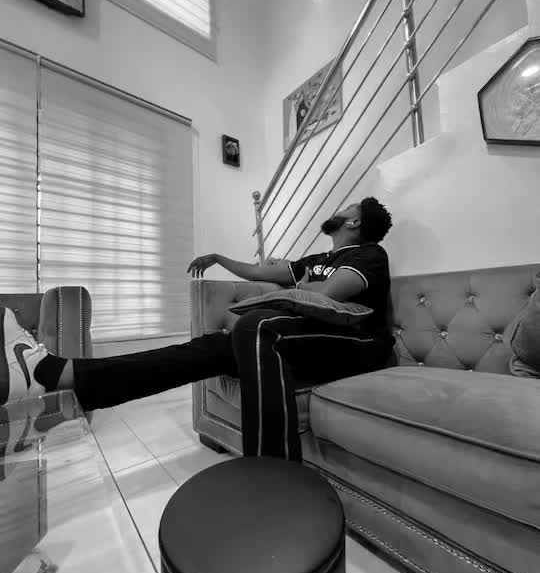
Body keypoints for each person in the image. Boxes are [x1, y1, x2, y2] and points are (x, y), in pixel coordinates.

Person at [0, 198, 394, 462]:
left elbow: (327, 295)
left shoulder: (370, 255)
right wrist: (219, 258)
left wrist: (301, 286)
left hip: (360, 344)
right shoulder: (319, 258)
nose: (341, 209)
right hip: (302, 338)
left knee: (255, 327)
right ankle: (54, 375)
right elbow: (260, 272)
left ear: (354, 221)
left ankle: (274, 472)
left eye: (349, 207)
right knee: (208, 348)